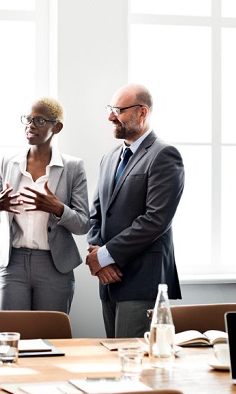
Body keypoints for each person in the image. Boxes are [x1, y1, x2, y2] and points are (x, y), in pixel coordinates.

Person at [86, 84, 185, 338]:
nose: (110, 116)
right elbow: (96, 215)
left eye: (118, 110)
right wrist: (100, 261)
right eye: (110, 109)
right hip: (109, 281)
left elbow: (156, 220)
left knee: (134, 365)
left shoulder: (164, 155)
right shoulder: (109, 158)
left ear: (142, 113)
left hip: (142, 281)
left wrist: (105, 256)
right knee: (113, 359)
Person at [0, 97, 89, 313]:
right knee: (11, 337)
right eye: (28, 119)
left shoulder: (73, 167)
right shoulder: (8, 162)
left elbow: (83, 225)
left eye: (39, 121)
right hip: (13, 264)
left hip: (54, 265)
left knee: (50, 337)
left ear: (56, 127)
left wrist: (57, 208)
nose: (30, 125)